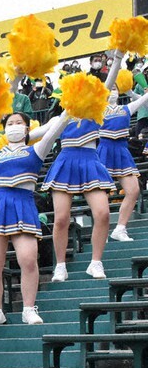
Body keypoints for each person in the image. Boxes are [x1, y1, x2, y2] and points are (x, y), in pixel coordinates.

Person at [0, 111, 71, 326]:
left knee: (28, 260)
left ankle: (28, 308)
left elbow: (57, 126)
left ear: (28, 128)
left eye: (19, 123)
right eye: (10, 123)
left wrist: (70, 107)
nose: (14, 126)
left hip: (23, 204)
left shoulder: (36, 149)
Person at [42, 114, 113, 281]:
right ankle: (60, 266)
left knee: (103, 213)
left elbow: (105, 87)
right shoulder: (61, 118)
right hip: (65, 162)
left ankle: (95, 262)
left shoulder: (96, 113)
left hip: (90, 161)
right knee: (61, 218)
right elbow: (40, 134)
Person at [99, 83, 148, 242]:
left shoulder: (127, 108)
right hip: (103, 149)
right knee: (101, 194)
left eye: (115, 89)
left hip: (121, 150)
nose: (112, 92)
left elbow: (144, 101)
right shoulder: (96, 110)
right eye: (109, 88)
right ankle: (101, 232)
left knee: (134, 190)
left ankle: (120, 228)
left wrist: (130, 90)